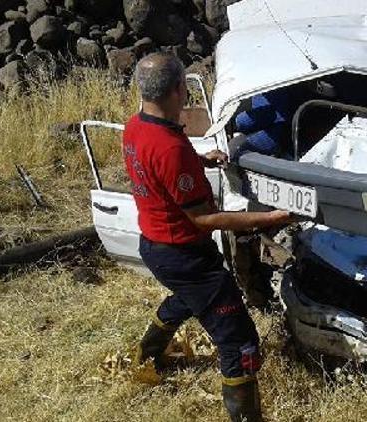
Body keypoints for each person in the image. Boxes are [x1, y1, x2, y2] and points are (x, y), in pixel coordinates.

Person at [123, 52, 290, 422]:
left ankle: (148, 356)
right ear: (180, 90)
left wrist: (198, 159)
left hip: (154, 245)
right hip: (185, 253)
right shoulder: (170, 148)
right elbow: (204, 219)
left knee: (187, 299)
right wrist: (266, 218)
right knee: (239, 340)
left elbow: (158, 165)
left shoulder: (137, 126)